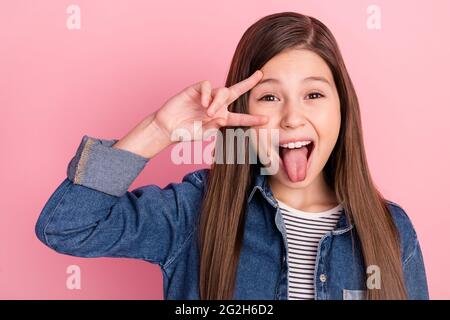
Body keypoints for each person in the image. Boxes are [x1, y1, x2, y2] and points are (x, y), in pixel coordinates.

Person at [35, 11, 429, 300]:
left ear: (343, 109)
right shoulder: (195, 210)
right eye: (270, 97)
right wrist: (158, 130)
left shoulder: (392, 230)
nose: (292, 118)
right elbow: (68, 227)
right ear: (242, 114)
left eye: (313, 95)